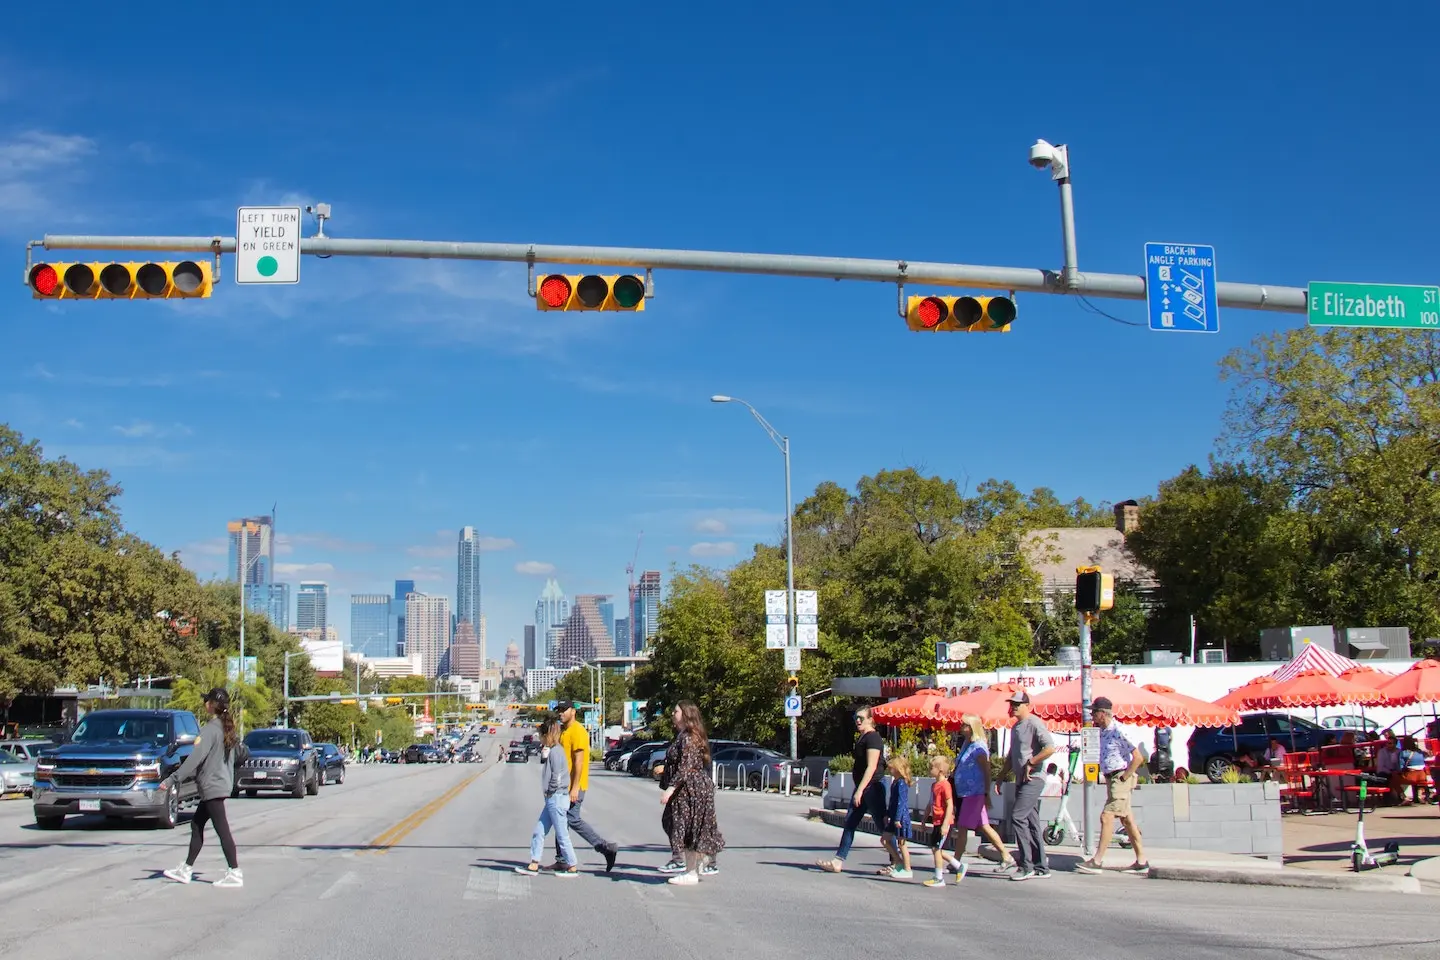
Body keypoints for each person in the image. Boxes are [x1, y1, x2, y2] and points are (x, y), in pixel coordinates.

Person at [161, 688, 243, 887]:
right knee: (197, 824)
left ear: (211, 705)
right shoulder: (226, 728)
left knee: (222, 829)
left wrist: (173, 779)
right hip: (219, 784)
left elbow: (194, 759)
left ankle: (234, 872)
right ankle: (186, 869)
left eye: (206, 700)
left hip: (212, 786)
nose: (204, 703)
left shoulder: (210, 730)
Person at [1075, 697, 1149, 875]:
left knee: (1106, 817)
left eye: (1094, 712)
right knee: (1127, 820)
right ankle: (1142, 861)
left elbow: (1138, 757)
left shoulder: (1119, 730)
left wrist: (1125, 777)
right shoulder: (1102, 731)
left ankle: (1097, 860)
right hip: (1111, 778)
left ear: (1103, 713)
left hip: (1119, 777)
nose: (1092, 715)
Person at [657, 702, 725, 886]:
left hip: (691, 790)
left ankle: (691, 870)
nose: (673, 713)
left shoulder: (688, 737)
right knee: (677, 825)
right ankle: (695, 863)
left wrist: (671, 789)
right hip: (688, 788)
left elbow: (686, 766)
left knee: (688, 828)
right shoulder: (684, 735)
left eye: (676, 710)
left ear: (686, 714)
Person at [817, 706, 887, 874]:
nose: (857, 720)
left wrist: (860, 790)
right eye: (856, 717)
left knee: (882, 826)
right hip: (863, 788)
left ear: (871, 720)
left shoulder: (873, 738)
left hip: (872, 787)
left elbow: (871, 767)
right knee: (850, 822)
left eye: (861, 718)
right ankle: (838, 861)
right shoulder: (863, 737)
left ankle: (898, 862)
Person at [996, 691, 1055, 881]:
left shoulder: (1034, 723)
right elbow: (1012, 755)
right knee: (1031, 823)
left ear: (1026, 705)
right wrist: (1001, 776)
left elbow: (1049, 748)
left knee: (1017, 816)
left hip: (1034, 778)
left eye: (1016, 704)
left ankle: (1026, 865)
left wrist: (1032, 762)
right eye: (1011, 704)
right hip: (1021, 779)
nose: (1012, 707)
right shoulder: (1016, 727)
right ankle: (1041, 867)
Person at [553, 701, 619, 872]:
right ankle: (561, 859)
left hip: (575, 785)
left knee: (571, 819)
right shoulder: (563, 731)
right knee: (560, 819)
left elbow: (579, 762)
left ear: (573, 711)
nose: (560, 713)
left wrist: (575, 788)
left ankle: (605, 848)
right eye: (559, 710)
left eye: (564, 710)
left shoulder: (578, 731)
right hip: (563, 785)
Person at [516, 720, 578, 877]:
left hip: (556, 798)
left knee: (562, 833)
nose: (541, 740)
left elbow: (556, 776)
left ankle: (572, 866)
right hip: (553, 798)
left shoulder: (556, 751)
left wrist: (550, 791)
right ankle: (534, 864)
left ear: (547, 735)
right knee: (539, 831)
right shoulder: (556, 750)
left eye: (542, 736)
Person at [954, 713, 1014, 872]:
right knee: (984, 826)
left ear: (971, 727)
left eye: (964, 725)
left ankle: (956, 862)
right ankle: (1006, 855)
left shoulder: (979, 747)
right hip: (966, 792)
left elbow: (986, 771)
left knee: (963, 828)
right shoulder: (967, 744)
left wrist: (986, 793)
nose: (961, 727)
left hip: (974, 792)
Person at [922, 755, 964, 888]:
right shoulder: (934, 785)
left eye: (931, 768)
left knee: (936, 849)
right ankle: (959, 866)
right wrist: (924, 818)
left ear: (940, 770)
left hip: (943, 822)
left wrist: (946, 824)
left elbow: (950, 805)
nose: (929, 770)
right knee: (936, 849)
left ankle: (939, 878)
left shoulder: (945, 785)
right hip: (936, 821)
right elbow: (930, 803)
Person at [879, 754, 913, 878]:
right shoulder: (895, 782)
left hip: (900, 818)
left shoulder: (901, 784)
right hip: (894, 817)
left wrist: (898, 818)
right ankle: (898, 862)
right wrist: (888, 814)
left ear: (898, 769)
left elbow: (901, 802)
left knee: (902, 844)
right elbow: (893, 801)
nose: (889, 770)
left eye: (891, 768)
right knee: (885, 839)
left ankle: (907, 869)